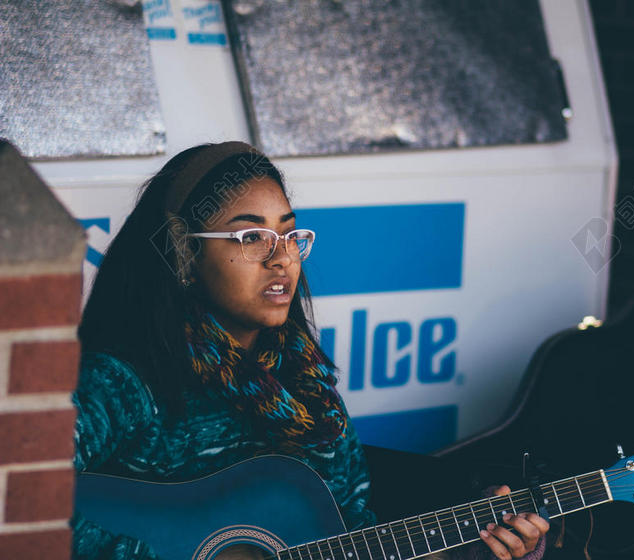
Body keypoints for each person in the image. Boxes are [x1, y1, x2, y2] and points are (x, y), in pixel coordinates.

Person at [72, 142, 549, 559]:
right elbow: (22, 500)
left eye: (288, 234)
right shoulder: (122, 383)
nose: (280, 257)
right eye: (250, 236)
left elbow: (355, 538)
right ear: (183, 255)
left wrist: (470, 553)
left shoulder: (309, 394)